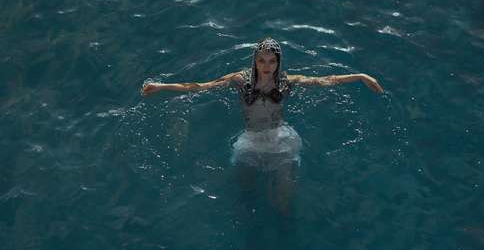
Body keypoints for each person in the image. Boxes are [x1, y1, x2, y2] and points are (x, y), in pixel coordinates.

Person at [141, 36, 384, 209]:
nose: (267, 66)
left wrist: (360, 76)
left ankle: (284, 233)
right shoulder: (240, 80)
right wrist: (162, 86)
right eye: (262, 61)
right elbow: (200, 87)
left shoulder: (286, 82)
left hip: (281, 139)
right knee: (245, 191)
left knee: (284, 199)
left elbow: (324, 80)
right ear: (255, 61)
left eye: (271, 61)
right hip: (250, 140)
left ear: (278, 62)